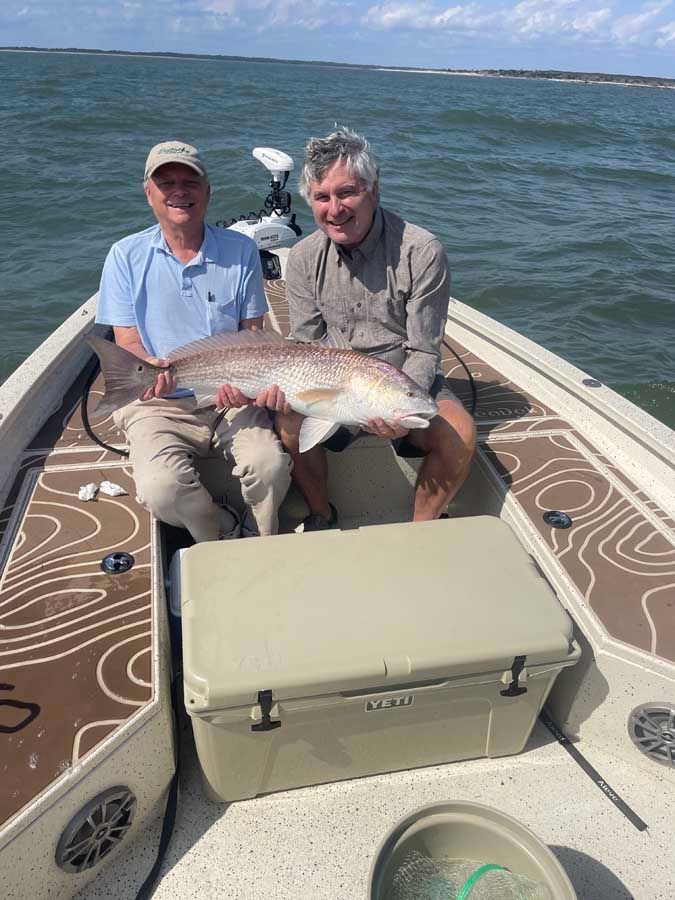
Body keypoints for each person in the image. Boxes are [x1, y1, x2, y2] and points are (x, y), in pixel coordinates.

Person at [275, 127, 476, 529]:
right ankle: (321, 514)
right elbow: (307, 346)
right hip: (332, 380)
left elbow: (424, 349)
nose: (335, 209)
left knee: (460, 433)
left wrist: (394, 407)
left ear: (374, 190)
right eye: (322, 197)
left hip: (404, 380)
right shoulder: (301, 258)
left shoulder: (422, 251)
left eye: (347, 192)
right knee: (286, 424)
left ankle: (422, 527)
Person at [95, 140, 292, 542]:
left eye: (190, 181)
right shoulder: (124, 255)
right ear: (148, 192)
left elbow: (251, 333)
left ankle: (260, 537)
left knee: (269, 465)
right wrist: (152, 373)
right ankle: (217, 532)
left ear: (208, 191)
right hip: (158, 403)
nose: (179, 191)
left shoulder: (242, 250)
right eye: (166, 183)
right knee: (160, 488)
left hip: (231, 396)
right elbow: (128, 342)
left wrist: (246, 385)